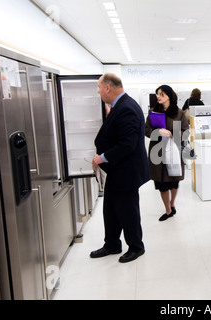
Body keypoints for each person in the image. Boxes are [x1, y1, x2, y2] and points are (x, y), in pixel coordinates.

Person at [90, 73, 150, 263]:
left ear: (108, 87)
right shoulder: (119, 106)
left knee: (127, 210)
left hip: (127, 171)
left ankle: (136, 247)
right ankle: (112, 244)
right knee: (111, 209)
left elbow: (128, 144)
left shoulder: (127, 108)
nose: (99, 92)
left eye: (99, 88)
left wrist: (102, 157)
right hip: (118, 170)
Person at [145, 85, 189, 221]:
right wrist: (158, 132)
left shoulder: (179, 113)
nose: (158, 96)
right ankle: (168, 210)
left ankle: (172, 203)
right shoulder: (152, 112)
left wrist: (173, 134)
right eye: (157, 94)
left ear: (169, 96)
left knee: (174, 181)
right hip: (157, 153)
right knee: (161, 183)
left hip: (174, 151)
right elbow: (146, 131)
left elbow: (185, 132)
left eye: (161, 94)